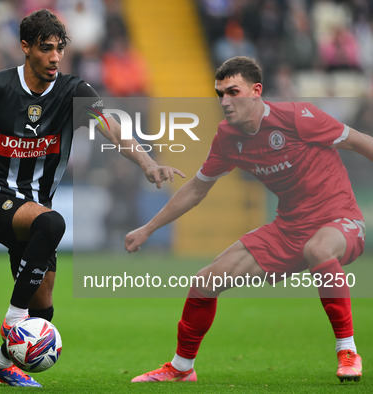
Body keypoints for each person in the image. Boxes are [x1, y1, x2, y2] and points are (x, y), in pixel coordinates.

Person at [0, 9, 182, 388]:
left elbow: (113, 130)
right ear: (25, 47)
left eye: (59, 49)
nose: (55, 57)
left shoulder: (75, 92)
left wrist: (147, 162)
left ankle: (3, 361)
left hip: (34, 207)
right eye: (46, 49)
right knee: (52, 224)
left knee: (45, 310)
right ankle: (12, 320)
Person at [125, 56, 373, 384]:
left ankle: (348, 352)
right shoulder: (227, 137)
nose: (225, 101)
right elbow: (197, 189)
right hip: (287, 229)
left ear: (256, 91)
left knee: (318, 248)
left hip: (339, 219)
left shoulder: (298, 117)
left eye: (233, 92)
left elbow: (360, 142)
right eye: (220, 95)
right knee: (205, 281)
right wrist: (148, 228)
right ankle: (181, 368)